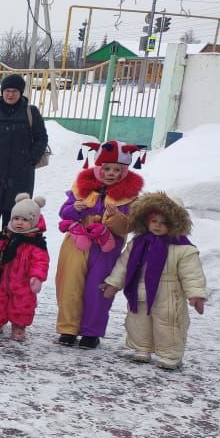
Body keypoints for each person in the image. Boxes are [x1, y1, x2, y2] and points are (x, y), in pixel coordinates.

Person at [101, 192, 207, 370]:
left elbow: (192, 273)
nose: (158, 226)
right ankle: (142, 348)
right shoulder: (138, 244)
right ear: (145, 220)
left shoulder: (182, 248)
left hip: (168, 293)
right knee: (139, 320)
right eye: (154, 221)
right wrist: (113, 283)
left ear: (174, 224)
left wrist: (196, 294)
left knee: (168, 325)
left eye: (164, 222)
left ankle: (170, 355)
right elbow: (124, 265)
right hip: (140, 289)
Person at [55, 140, 145, 349]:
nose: (110, 173)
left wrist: (114, 217)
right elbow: (64, 212)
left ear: (124, 170)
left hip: (107, 246)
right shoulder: (81, 188)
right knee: (69, 284)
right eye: (106, 168)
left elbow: (128, 227)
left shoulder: (130, 197)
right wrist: (76, 209)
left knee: (98, 289)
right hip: (77, 241)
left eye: (116, 169)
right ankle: (68, 328)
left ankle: (91, 332)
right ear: (98, 168)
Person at [0, 74, 49, 243]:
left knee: (16, 217)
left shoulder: (31, 113)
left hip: (21, 175)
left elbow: (41, 138)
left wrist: (31, 158)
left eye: (14, 91)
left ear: (21, 93)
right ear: (2, 92)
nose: (10, 94)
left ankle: (9, 260)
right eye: (7, 90)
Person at [0, 193, 50, 341]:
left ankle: (19, 326)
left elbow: (41, 261)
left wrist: (37, 277)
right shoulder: (5, 235)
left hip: (23, 283)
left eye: (25, 220)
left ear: (34, 222)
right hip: (0, 278)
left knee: (22, 305)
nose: (19, 223)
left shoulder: (36, 243)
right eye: (16, 218)